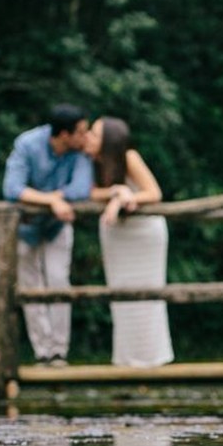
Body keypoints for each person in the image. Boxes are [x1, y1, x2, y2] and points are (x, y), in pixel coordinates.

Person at [2, 103, 94, 366]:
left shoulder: (79, 153)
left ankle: (58, 351)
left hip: (57, 226)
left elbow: (80, 189)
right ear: (64, 135)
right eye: (81, 132)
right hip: (26, 227)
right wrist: (51, 201)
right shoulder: (28, 144)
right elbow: (11, 188)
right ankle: (41, 350)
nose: (85, 138)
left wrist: (52, 199)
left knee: (58, 281)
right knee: (31, 288)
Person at [83, 117, 174, 368]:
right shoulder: (90, 162)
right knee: (119, 293)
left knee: (149, 294)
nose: (88, 137)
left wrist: (124, 197)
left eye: (94, 133)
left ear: (109, 140)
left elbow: (153, 193)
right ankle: (126, 359)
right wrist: (116, 192)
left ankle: (153, 358)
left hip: (144, 233)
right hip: (116, 234)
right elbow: (89, 193)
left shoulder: (129, 156)